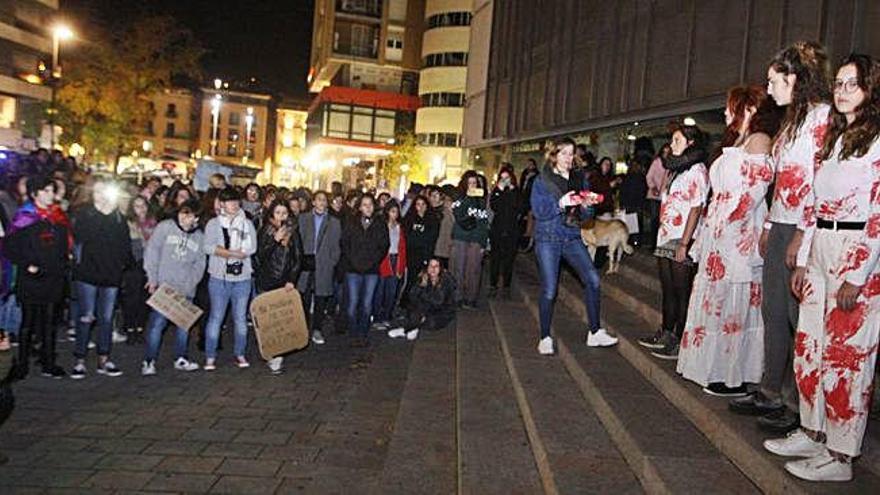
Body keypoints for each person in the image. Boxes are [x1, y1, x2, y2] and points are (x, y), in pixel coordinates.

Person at [763, 53, 879, 483]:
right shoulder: (833, 138)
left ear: (870, 90)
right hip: (821, 247)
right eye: (840, 83)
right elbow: (812, 204)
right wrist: (806, 255)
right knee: (810, 347)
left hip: (856, 250)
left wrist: (858, 273)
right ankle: (813, 430)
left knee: (848, 358)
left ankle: (841, 454)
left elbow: (879, 214)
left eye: (853, 83)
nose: (843, 91)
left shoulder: (878, 140)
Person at [750, 41, 833, 435]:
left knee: (798, 317)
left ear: (794, 78)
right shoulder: (792, 121)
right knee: (774, 312)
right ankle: (770, 390)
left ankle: (798, 405)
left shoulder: (823, 119)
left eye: (773, 80)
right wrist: (769, 225)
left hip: (804, 228)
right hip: (782, 223)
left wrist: (802, 234)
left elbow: (819, 183)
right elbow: (783, 183)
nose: (769, 89)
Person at [675, 86, 779, 395]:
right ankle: (715, 368)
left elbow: (753, 193)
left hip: (738, 236)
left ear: (747, 109)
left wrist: (727, 228)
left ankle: (733, 375)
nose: (724, 112)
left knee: (735, 306)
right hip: (719, 233)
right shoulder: (737, 141)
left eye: (729, 107)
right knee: (717, 304)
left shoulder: (759, 140)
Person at [531, 137, 618, 355]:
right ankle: (544, 336)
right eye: (564, 153)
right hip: (548, 238)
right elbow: (539, 212)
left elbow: (585, 218)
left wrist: (587, 206)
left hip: (571, 237)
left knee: (593, 280)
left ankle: (595, 332)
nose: (569, 158)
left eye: (571, 153)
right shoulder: (542, 180)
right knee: (550, 290)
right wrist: (560, 203)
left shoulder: (580, 179)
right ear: (554, 155)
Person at [637, 125, 709, 359]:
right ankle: (666, 332)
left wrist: (684, 244)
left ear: (690, 142)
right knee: (668, 289)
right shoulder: (676, 170)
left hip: (682, 238)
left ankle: (680, 341)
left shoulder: (697, 170)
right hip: (666, 235)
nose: (671, 143)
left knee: (682, 291)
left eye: (677, 139)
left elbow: (696, 208)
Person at [4, 177, 71, 379]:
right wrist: (27, 264)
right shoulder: (25, 217)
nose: (52, 194)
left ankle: (48, 362)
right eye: (47, 190)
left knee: (50, 322)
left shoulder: (58, 217)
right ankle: (22, 364)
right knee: (28, 323)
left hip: (53, 277)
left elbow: (63, 246)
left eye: (52, 190)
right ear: (35, 194)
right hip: (31, 279)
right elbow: (9, 247)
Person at [70, 179, 132, 379]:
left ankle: (104, 358)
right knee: (86, 316)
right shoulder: (85, 214)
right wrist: (101, 213)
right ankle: (80, 359)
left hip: (111, 275)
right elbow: (81, 236)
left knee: (106, 318)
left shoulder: (117, 217)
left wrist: (124, 266)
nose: (101, 196)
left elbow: (124, 244)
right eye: (97, 192)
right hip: (88, 273)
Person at [140, 199, 205, 376]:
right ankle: (149, 360)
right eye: (183, 213)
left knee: (183, 325)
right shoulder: (165, 227)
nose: (186, 218)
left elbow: (200, 264)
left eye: (190, 215)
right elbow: (152, 252)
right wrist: (152, 278)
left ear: (197, 218)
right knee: (156, 325)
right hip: (164, 286)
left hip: (185, 288)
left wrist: (189, 285)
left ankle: (181, 357)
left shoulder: (199, 237)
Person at [202, 188, 257, 370]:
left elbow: (253, 248)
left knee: (240, 318)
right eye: (229, 201)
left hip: (242, 277)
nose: (233, 204)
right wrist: (231, 253)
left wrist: (239, 253)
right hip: (219, 277)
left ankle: (240, 353)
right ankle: (210, 356)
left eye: (236, 201)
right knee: (216, 317)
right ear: (222, 204)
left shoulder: (247, 223)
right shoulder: (214, 224)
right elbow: (208, 247)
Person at [256, 200, 303, 374]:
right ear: (271, 214)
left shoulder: (293, 232)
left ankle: (278, 354)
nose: (281, 217)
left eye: (284, 213)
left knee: (281, 320)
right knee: (268, 320)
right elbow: (260, 256)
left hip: (284, 281)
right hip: (266, 280)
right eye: (278, 213)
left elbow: (298, 258)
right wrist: (275, 241)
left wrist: (292, 279)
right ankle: (270, 351)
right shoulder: (266, 230)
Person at [341, 194, 389, 347]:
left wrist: (374, 260)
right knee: (352, 304)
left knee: (367, 304)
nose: (367, 207)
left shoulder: (380, 223)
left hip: (371, 270)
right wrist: (352, 259)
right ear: (359, 207)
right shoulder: (351, 222)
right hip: (352, 269)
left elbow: (384, 245)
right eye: (364, 204)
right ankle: (353, 333)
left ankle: (363, 333)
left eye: (370, 204)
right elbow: (344, 243)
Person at [298, 191, 341, 347]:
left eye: (324, 200)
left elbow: (336, 246)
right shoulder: (303, 219)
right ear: (313, 202)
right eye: (319, 200)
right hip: (306, 263)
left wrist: (331, 261)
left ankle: (317, 329)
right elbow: (299, 240)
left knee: (321, 298)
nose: (321, 203)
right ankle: (302, 329)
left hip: (324, 264)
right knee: (304, 296)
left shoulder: (334, 222)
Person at [387, 258, 456, 341]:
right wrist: (421, 286)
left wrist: (423, 293)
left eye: (436, 266)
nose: (433, 269)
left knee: (431, 323)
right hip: (425, 308)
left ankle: (406, 330)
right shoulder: (423, 277)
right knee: (415, 312)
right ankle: (415, 326)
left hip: (442, 312)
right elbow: (412, 295)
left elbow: (438, 301)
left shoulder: (446, 280)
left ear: (441, 268)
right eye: (431, 266)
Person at [451, 171, 490, 308]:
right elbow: (457, 213)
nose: (472, 186)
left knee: (473, 269)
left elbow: (484, 222)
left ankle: (470, 298)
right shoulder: (458, 197)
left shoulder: (483, 199)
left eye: (475, 183)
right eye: (470, 183)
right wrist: (467, 197)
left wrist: (483, 243)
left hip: (476, 238)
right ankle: (457, 297)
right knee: (458, 268)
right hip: (461, 236)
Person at [121, 195, 156, 342]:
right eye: (137, 206)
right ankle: (130, 327)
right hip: (133, 265)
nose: (141, 209)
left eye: (143, 205)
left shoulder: (154, 223)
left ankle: (140, 327)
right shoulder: (128, 223)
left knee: (145, 298)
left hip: (149, 265)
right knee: (131, 298)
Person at [489, 165, 521, 298]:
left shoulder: (516, 191)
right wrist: (499, 190)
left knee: (509, 260)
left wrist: (512, 191)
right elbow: (494, 206)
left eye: (507, 178)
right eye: (502, 178)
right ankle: (493, 285)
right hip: (497, 229)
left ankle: (506, 286)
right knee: (495, 259)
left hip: (512, 230)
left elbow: (518, 207)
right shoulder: (497, 191)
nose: (504, 180)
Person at [374, 201, 407, 329]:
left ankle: (387, 316)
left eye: (396, 211)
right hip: (384, 260)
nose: (395, 214)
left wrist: (401, 266)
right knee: (379, 291)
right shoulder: (382, 226)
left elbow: (402, 248)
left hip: (395, 259)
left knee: (391, 291)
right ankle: (377, 317)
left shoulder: (399, 227)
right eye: (392, 211)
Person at [402, 195, 439, 296]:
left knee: (424, 279)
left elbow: (432, 238)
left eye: (423, 204)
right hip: (412, 253)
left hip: (425, 253)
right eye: (418, 204)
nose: (421, 207)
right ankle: (406, 301)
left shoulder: (432, 219)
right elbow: (407, 236)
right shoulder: (409, 219)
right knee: (411, 279)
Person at [645, 144, 671, 249]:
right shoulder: (657, 162)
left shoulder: (672, 163)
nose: (665, 155)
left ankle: (662, 244)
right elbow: (649, 176)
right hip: (654, 196)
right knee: (655, 220)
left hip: (666, 197)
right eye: (664, 152)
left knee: (664, 221)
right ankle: (653, 244)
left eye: (668, 152)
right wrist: (653, 187)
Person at [432, 185, 455, 268]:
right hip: (437, 249)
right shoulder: (432, 210)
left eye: (435, 196)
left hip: (443, 250)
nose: (432, 198)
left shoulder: (447, 211)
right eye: (431, 196)